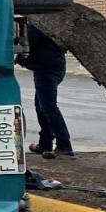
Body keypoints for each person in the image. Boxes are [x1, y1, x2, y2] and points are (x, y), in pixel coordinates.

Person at [19, 25, 72, 159]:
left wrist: (17, 60)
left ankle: (64, 146)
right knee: (41, 107)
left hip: (47, 69)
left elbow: (26, 47)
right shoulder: (40, 26)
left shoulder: (35, 28)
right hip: (51, 67)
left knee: (48, 107)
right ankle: (45, 144)